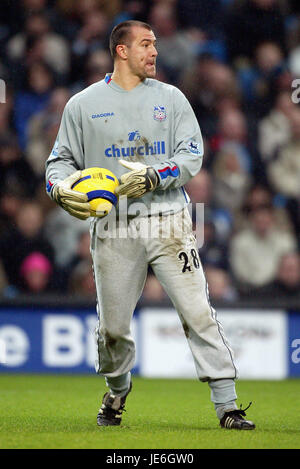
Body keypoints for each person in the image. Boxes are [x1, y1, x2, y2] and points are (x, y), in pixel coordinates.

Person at [45, 20, 255, 430]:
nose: (154, 51)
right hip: (113, 225)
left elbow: (192, 154)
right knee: (113, 329)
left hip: (170, 219)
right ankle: (117, 390)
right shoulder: (82, 104)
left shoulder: (172, 98)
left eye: (155, 44)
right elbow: (59, 163)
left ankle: (228, 406)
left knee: (198, 311)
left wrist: (156, 175)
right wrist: (58, 189)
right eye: (145, 45)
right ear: (121, 51)